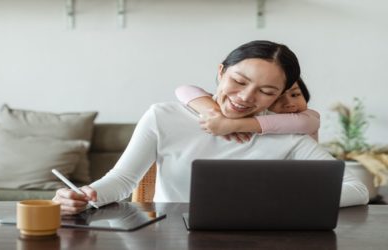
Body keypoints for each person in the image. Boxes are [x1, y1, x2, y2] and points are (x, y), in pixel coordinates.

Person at [53, 40, 368, 214]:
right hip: (170, 237)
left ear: (281, 95)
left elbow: (357, 189)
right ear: (221, 72)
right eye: (238, 81)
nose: (245, 98)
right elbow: (121, 181)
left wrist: (281, 200)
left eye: (267, 92)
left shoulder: (286, 133)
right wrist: (84, 195)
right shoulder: (164, 117)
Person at [175, 77, 320, 142]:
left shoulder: (308, 117)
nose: (290, 103)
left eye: (295, 94)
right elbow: (184, 89)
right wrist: (214, 114)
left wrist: (231, 125)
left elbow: (302, 124)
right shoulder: (256, 113)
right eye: (276, 98)